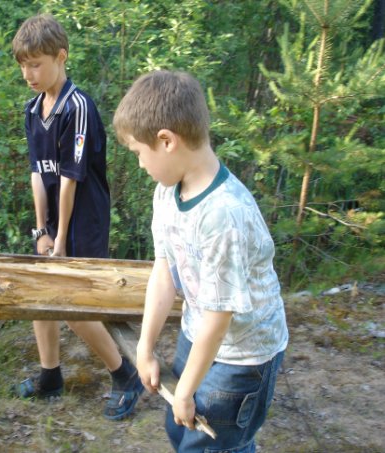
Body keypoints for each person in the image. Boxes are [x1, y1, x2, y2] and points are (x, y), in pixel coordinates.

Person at [112, 70, 289, 451]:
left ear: (166, 141)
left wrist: (186, 390)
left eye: (139, 153)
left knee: (212, 442)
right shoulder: (167, 193)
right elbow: (164, 273)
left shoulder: (225, 215)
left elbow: (219, 318)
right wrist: (145, 347)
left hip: (243, 356)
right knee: (181, 430)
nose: (140, 165)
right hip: (198, 333)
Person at [11, 13, 143, 421]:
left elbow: (70, 178)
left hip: (84, 220)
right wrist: (42, 231)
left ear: (61, 57)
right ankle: (50, 377)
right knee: (41, 292)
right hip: (53, 220)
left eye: (36, 64)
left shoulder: (78, 107)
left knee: (73, 305)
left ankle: (125, 375)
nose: (28, 74)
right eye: (23, 65)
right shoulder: (33, 109)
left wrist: (63, 238)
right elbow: (38, 174)